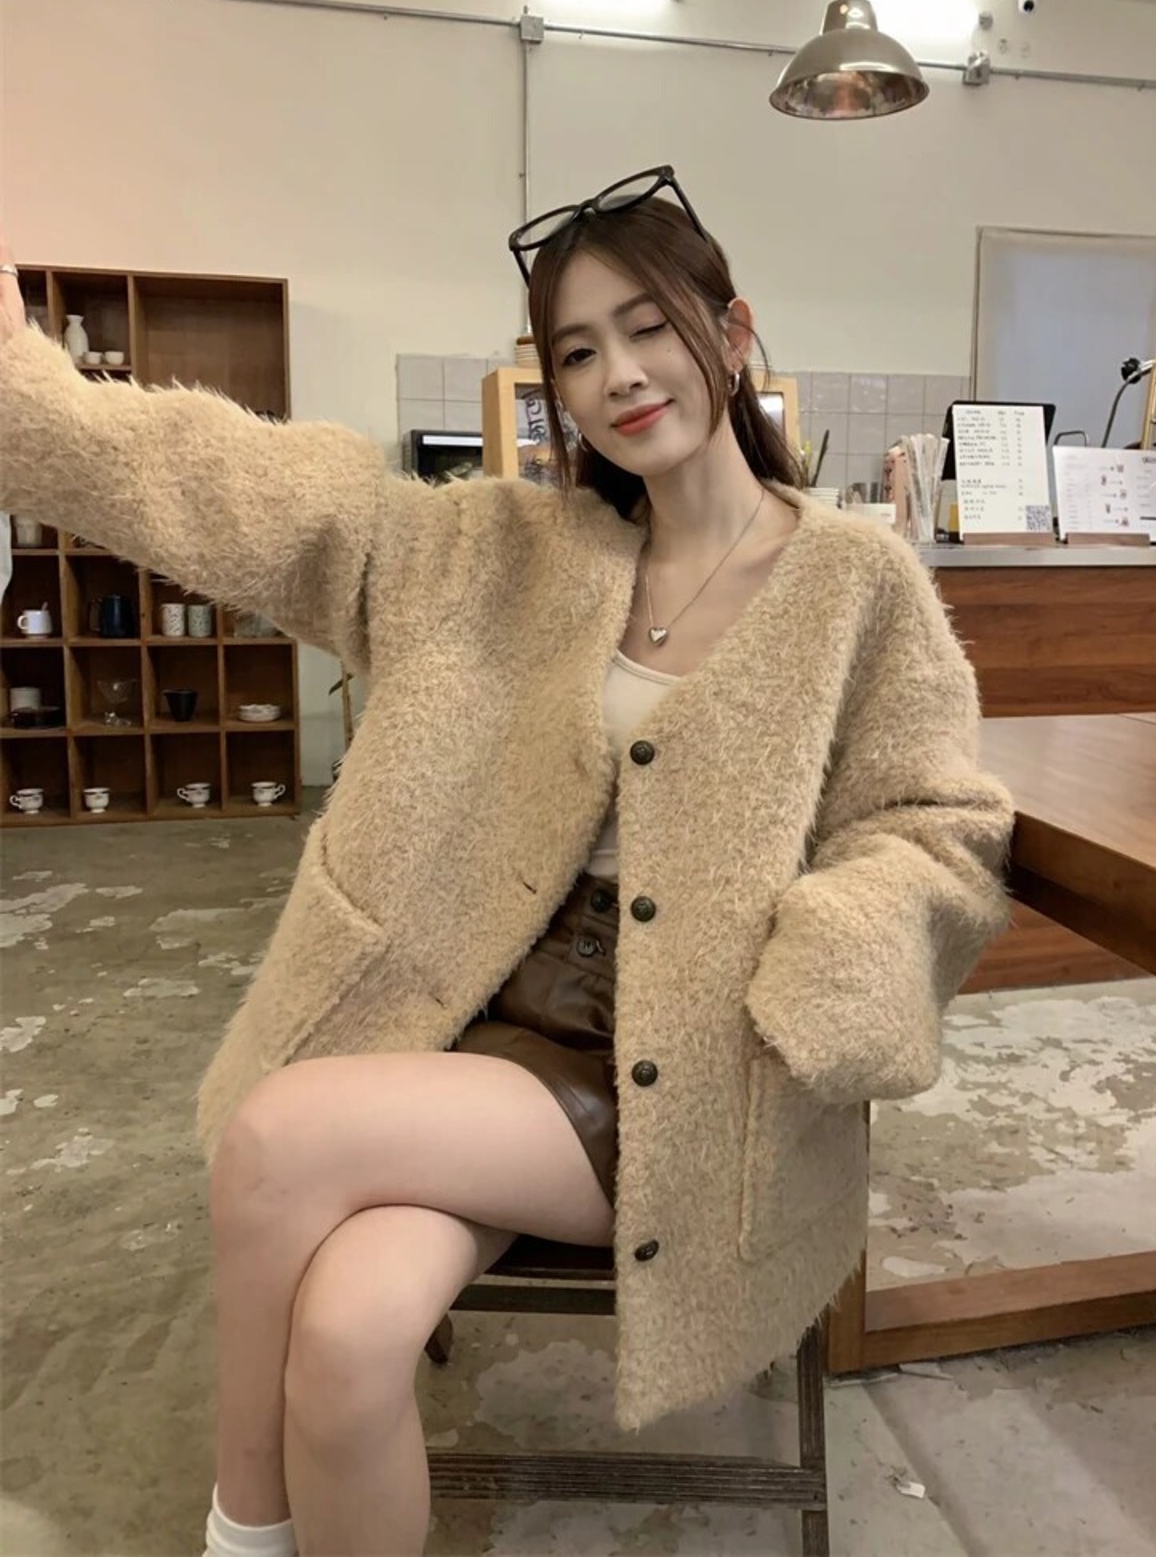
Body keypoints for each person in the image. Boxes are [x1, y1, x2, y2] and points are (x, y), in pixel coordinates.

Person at [0, 169, 1014, 1557]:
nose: (621, 374)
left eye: (647, 326)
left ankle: (237, 1530)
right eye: (578, 352)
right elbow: (258, 499)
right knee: (347, 1334)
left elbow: (936, 820)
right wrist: (32, 397)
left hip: (681, 1054)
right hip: (486, 1017)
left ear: (731, 331)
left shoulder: (856, 582)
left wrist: (840, 953)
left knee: (277, 1137)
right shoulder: (509, 550)